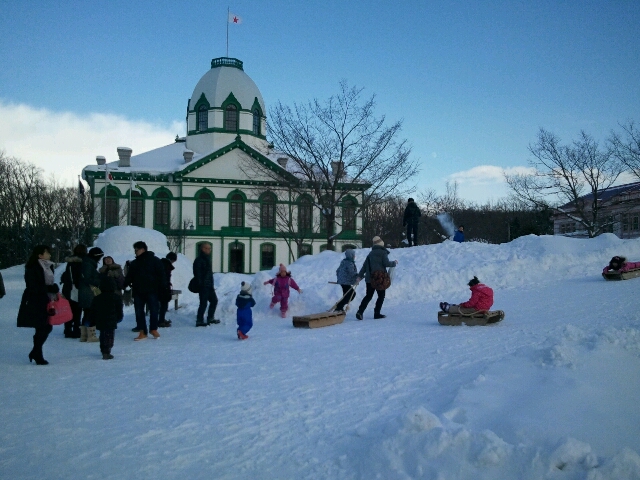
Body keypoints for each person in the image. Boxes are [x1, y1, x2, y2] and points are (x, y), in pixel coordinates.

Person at [17, 245, 60, 365]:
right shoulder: (33, 267)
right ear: (40, 255)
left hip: (47, 299)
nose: (49, 255)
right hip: (36, 300)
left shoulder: (48, 265)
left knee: (45, 326)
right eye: (47, 252)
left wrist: (53, 289)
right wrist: (50, 288)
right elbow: (33, 286)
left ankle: (36, 352)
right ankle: (37, 353)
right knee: (43, 326)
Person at [124, 241, 166, 340]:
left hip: (152, 290)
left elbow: (162, 275)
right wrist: (124, 284)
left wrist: (163, 287)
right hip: (138, 290)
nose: (135, 252)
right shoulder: (134, 263)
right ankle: (142, 331)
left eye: (137, 250)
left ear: (143, 249)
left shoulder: (155, 260)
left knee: (154, 310)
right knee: (139, 312)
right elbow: (130, 276)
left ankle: (153, 329)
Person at [355, 236, 397, 320]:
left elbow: (364, 266)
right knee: (381, 296)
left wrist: (359, 277)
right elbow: (387, 263)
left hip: (370, 279)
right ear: (381, 244)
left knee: (368, 296)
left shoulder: (370, 254)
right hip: (380, 279)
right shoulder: (383, 253)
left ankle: (360, 312)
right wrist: (394, 263)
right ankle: (376, 313)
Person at [92, 276, 124, 360]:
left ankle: (103, 350)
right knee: (110, 335)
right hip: (112, 320)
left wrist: (93, 319)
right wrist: (119, 317)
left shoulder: (97, 298)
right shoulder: (116, 297)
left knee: (103, 335)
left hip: (101, 319)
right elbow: (119, 309)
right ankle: (107, 350)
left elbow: (93, 309)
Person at [60, 244, 86, 338]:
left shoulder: (70, 262)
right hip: (76, 289)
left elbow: (66, 275)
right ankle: (76, 329)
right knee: (77, 311)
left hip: (67, 289)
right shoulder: (82, 262)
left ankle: (67, 330)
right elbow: (79, 276)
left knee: (68, 310)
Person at [78, 247, 104, 343]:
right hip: (88, 291)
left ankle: (84, 335)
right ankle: (91, 335)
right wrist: (98, 280)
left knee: (87, 313)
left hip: (85, 291)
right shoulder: (88, 264)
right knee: (91, 313)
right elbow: (87, 278)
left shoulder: (87, 263)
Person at [193, 243, 219, 327]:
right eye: (207, 248)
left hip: (209, 285)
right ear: (203, 249)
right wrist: (201, 284)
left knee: (214, 301)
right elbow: (197, 273)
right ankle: (199, 320)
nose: (209, 250)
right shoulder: (199, 260)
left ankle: (210, 318)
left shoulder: (207, 259)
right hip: (203, 286)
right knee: (203, 303)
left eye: (210, 248)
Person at [158, 252, 177, 328]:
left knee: (162, 305)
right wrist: (167, 287)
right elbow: (165, 278)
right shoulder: (166, 265)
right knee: (164, 304)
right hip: (163, 288)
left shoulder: (161, 263)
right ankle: (161, 321)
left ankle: (161, 319)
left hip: (160, 287)